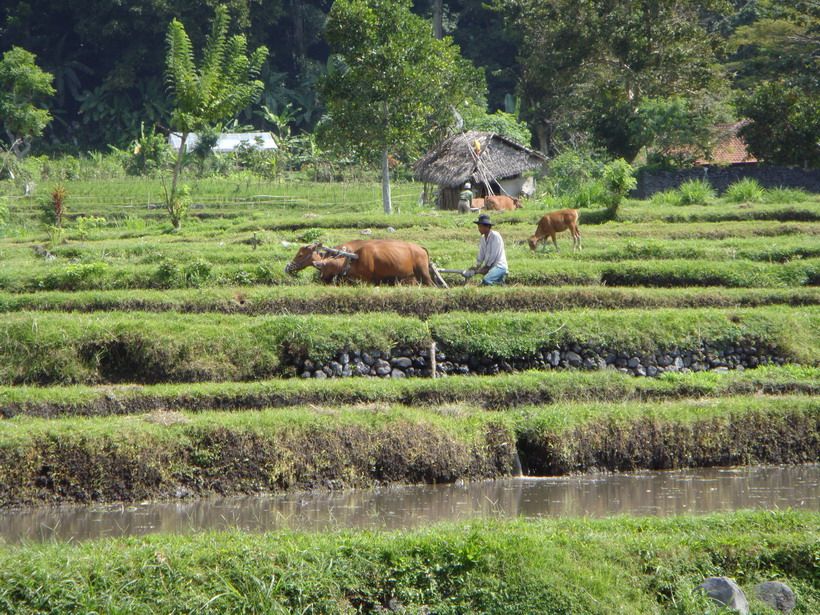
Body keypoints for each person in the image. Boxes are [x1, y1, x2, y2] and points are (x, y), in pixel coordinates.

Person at [465, 213, 508, 286]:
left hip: (499, 266)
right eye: (478, 226)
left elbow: (493, 255)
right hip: (491, 267)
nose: (479, 229)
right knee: (485, 283)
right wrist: (477, 266)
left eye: (480, 226)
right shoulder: (483, 238)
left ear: (487, 227)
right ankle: (501, 285)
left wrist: (486, 267)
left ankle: (500, 285)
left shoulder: (495, 236)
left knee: (486, 280)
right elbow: (481, 254)